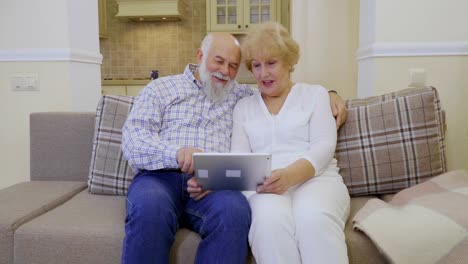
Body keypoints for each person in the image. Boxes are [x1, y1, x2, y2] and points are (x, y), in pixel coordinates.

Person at [122, 31, 348, 264]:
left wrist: (331, 94)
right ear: (200, 55)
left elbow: (281, 95)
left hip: (210, 186)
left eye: (233, 66)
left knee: (234, 212)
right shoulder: (160, 89)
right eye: (218, 61)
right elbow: (133, 139)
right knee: (150, 210)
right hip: (159, 178)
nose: (225, 71)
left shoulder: (240, 95)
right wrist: (176, 153)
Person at [230, 22, 351, 263]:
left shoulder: (315, 95)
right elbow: (240, 158)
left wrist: (290, 176)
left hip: (318, 180)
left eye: (271, 63)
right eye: (256, 65)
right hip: (265, 186)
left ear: (289, 62)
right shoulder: (243, 107)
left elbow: (324, 145)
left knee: (313, 218)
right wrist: (262, 181)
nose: (263, 74)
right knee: (268, 224)